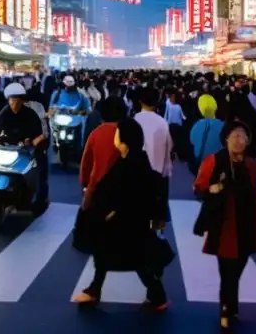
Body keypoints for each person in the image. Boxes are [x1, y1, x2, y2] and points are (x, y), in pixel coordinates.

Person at [72, 118, 168, 311]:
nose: (114, 137)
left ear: (124, 140)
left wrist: (107, 211)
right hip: (129, 222)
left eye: (117, 135)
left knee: (123, 256)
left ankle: (96, 290)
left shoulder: (129, 165)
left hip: (124, 222)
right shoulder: (135, 160)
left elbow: (121, 191)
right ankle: (155, 295)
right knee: (126, 258)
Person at [192, 120, 256, 329]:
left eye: (243, 136)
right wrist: (211, 189)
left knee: (237, 268)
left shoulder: (254, 165)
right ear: (226, 138)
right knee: (227, 270)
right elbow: (198, 188)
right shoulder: (213, 161)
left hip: (247, 225)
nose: (239, 140)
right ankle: (226, 308)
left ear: (248, 140)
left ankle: (230, 305)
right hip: (223, 224)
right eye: (234, 135)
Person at [0, 83, 49, 208]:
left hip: (26, 149)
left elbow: (40, 134)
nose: (13, 103)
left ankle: (41, 197)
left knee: (41, 164)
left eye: (16, 99)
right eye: (11, 99)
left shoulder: (30, 113)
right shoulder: (4, 112)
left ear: (22, 101)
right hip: (8, 147)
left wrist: (33, 142)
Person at [134, 87, 174, 208]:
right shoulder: (162, 122)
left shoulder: (134, 120)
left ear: (140, 101)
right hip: (158, 174)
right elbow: (169, 148)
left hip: (137, 175)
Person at [189, 94, 225, 171]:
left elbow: (192, 141)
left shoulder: (195, 126)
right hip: (220, 164)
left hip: (203, 165)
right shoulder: (223, 125)